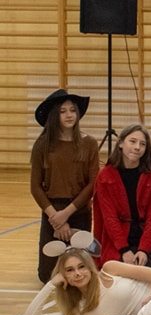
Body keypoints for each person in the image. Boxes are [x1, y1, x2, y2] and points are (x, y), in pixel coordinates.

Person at [22, 249, 151, 315]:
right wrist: (51, 285)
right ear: (63, 276)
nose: (77, 273)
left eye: (81, 267)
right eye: (69, 270)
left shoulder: (109, 269)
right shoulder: (82, 311)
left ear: (90, 267)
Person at [30, 89, 99, 282]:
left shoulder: (89, 143)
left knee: (81, 271)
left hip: (78, 210)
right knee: (48, 276)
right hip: (52, 211)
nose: (69, 115)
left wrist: (66, 214)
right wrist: (56, 218)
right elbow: (35, 187)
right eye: (63, 111)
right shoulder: (42, 145)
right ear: (54, 115)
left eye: (72, 110)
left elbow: (92, 184)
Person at [94, 124, 151, 269]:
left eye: (142, 144)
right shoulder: (105, 176)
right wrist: (124, 249)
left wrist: (144, 250)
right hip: (117, 241)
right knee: (117, 274)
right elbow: (109, 219)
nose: (137, 147)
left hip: (145, 240)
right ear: (121, 143)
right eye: (133, 141)